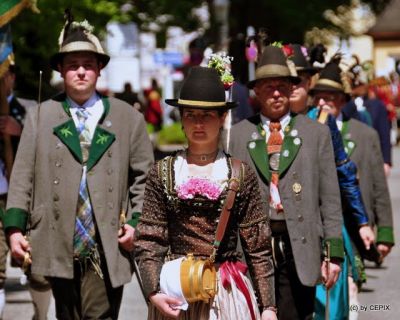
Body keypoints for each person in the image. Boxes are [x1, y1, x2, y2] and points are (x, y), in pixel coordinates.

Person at [2, 17, 154, 319]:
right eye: (73, 65)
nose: (81, 71)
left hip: (106, 244)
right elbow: (22, 176)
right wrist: (15, 228)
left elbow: (145, 178)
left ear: (99, 69)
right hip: (55, 241)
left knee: (100, 315)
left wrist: (136, 222)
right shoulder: (41, 116)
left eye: (88, 64)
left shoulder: (127, 118)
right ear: (61, 70)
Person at [135, 66, 277, 320]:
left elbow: (258, 247)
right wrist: (153, 292)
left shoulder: (240, 173)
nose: (198, 123)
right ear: (181, 118)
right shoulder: (163, 171)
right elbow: (149, 240)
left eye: (207, 115)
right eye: (190, 114)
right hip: (175, 291)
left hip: (225, 291)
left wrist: (268, 308)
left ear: (222, 117)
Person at [229, 45, 344, 320]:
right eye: (269, 87)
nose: (277, 93)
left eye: (282, 86)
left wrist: (334, 253)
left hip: (300, 245)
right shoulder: (238, 134)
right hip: (254, 248)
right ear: (256, 91)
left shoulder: (316, 133)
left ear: (293, 88)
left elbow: (329, 197)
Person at [288, 45, 375, 320]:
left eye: (298, 81)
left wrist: (361, 222)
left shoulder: (324, 122)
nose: (291, 88)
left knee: (328, 307)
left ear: (308, 83)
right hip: (279, 233)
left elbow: (344, 173)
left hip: (320, 228)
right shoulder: (264, 126)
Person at [310, 60, 395, 262]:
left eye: (329, 98)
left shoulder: (366, 134)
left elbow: (379, 187)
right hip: (321, 226)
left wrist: (385, 233)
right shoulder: (306, 130)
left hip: (356, 225)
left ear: (342, 100)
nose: (323, 103)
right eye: (319, 98)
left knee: (350, 287)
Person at [0, 63, 53, 320]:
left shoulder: (32, 108)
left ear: (11, 77)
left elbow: (50, 145)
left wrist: (18, 130)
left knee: (36, 267)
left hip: (29, 199)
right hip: (1, 195)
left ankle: (40, 314)